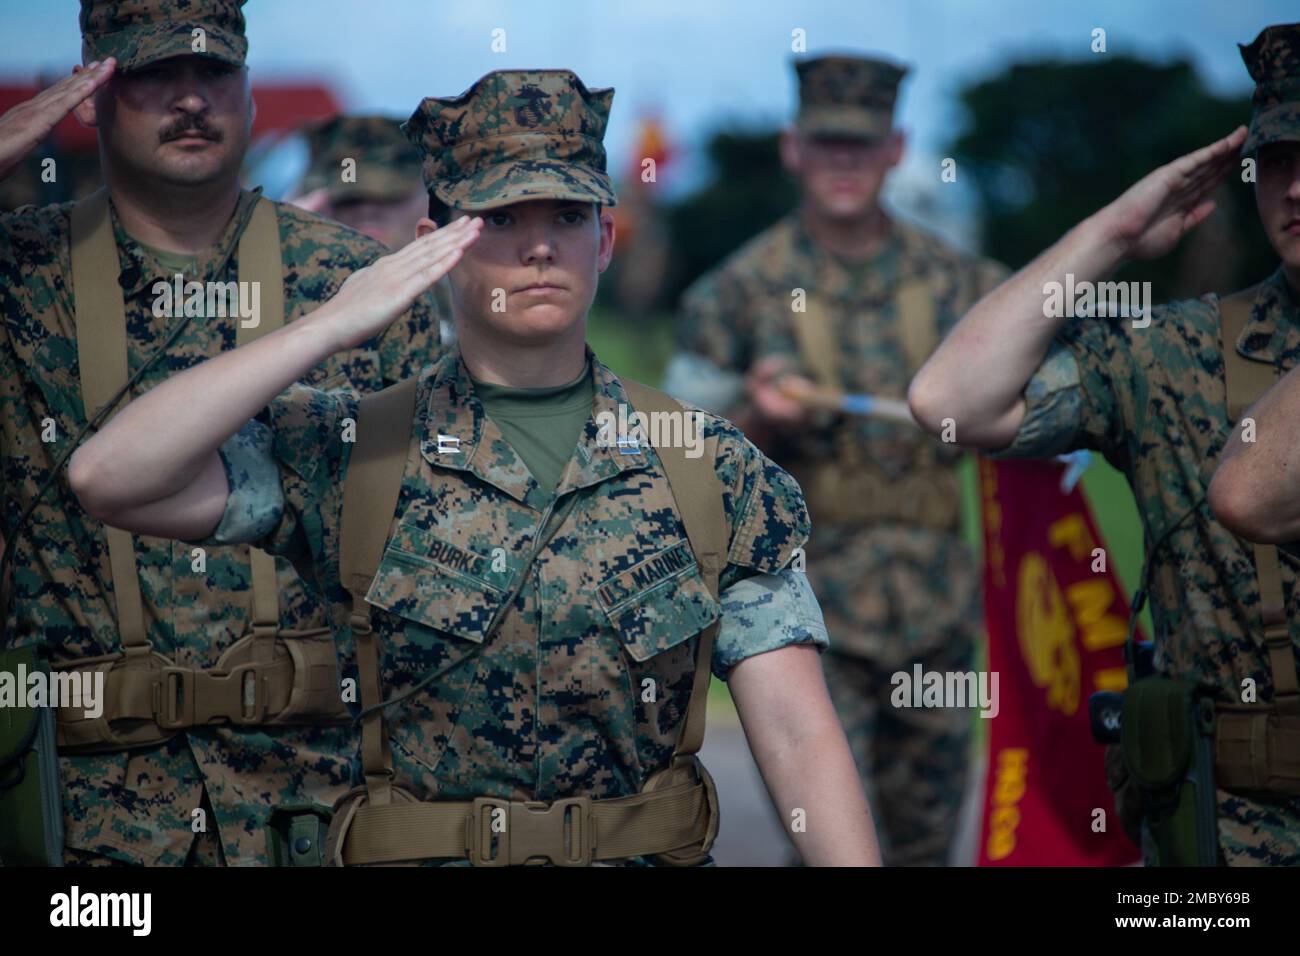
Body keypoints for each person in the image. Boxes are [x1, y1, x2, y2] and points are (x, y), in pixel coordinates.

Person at [68, 67, 881, 867]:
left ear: (604, 239)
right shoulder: (352, 452)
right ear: (434, 248)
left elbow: (799, 731)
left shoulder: (710, 467)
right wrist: (327, 327)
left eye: (567, 214)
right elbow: (111, 476)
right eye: (497, 217)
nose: (537, 246)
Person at [0, 0, 442, 866]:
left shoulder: (353, 281)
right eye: (155, 74)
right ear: (89, 93)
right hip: (88, 818)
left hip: (312, 802)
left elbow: (424, 553)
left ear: (247, 93)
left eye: (213, 73)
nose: (190, 99)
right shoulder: (21, 273)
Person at [909, 23, 1300, 866]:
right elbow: (950, 399)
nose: (1296, 189)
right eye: (1277, 161)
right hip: (1221, 842)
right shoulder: (1176, 353)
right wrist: (1113, 233)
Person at [662, 53, 1006, 866]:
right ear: (793, 148)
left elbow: (1046, 402)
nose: (843, 164)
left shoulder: (964, 286)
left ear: (897, 148)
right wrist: (757, 418)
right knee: (831, 845)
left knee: (925, 843)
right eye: (825, 145)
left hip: (939, 616)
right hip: (803, 617)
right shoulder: (737, 289)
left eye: (862, 145)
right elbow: (676, 452)